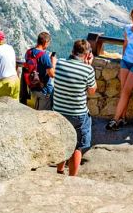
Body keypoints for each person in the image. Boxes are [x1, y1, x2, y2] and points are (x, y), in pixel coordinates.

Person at [53, 39, 97, 176]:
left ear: (72, 51)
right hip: (77, 114)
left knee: (62, 142)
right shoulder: (87, 70)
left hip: (58, 112)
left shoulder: (59, 63)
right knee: (77, 147)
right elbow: (91, 91)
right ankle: (72, 178)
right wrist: (89, 65)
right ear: (87, 54)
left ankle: (59, 171)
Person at [106, 4, 133, 131]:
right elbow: (125, 44)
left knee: (125, 91)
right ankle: (121, 119)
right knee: (123, 92)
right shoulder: (127, 28)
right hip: (126, 61)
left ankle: (115, 119)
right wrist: (123, 57)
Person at [21, 31, 56, 110]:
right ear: (46, 42)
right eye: (48, 43)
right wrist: (53, 62)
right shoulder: (44, 56)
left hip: (31, 86)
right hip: (43, 90)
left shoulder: (28, 52)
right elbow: (52, 74)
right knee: (43, 114)